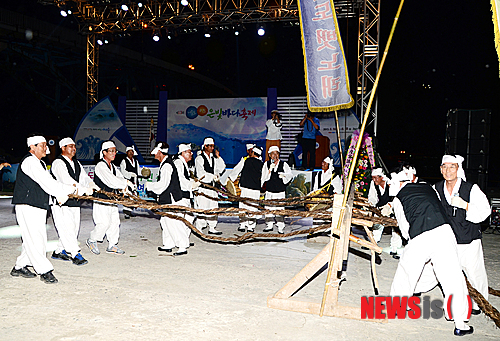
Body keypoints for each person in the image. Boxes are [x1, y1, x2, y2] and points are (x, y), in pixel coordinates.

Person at [389, 170, 473, 336]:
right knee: (452, 277)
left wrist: (412, 236)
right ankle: (460, 323)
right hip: (443, 231)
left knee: (406, 272)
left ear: (398, 185)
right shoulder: (429, 188)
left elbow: (404, 229)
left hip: (420, 234)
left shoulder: (398, 199)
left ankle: (396, 308)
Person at [11, 134, 75, 284]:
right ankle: (44, 270)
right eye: (42, 145)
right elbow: (47, 183)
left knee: (31, 238)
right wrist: (67, 190)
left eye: (46, 145)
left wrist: (63, 193)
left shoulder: (38, 163)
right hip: (27, 205)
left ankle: (19, 266)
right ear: (32, 147)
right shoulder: (30, 162)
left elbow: (47, 185)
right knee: (36, 238)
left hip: (37, 204)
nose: (46, 148)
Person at [434, 155, 490, 315]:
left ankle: (479, 304)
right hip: (449, 241)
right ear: (440, 169)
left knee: (475, 274)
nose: (448, 170)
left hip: (469, 240)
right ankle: (454, 307)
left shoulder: (471, 189)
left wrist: (466, 206)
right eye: (445, 167)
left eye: (452, 166)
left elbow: (485, 211)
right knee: (450, 276)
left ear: (458, 169)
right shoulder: (437, 188)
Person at [50, 137, 97, 266]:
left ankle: (59, 251)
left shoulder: (76, 163)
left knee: (74, 228)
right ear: (63, 148)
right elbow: (67, 181)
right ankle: (75, 253)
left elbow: (84, 177)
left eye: (74, 146)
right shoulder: (58, 163)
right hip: (61, 201)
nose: (74, 148)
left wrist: (92, 185)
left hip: (74, 200)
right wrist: (84, 190)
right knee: (66, 228)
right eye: (70, 146)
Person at [86, 140, 134, 255]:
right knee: (103, 223)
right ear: (104, 152)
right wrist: (125, 183)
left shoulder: (112, 166)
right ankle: (92, 240)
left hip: (112, 200)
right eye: (111, 151)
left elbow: (119, 177)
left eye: (115, 151)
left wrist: (126, 188)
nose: (114, 153)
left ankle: (112, 244)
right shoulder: (101, 166)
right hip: (101, 199)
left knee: (114, 222)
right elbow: (112, 181)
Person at [146, 142, 191, 256]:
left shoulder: (167, 165)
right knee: (165, 221)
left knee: (174, 222)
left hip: (172, 199)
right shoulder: (165, 163)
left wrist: (149, 185)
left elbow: (163, 185)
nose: (154, 155)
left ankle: (182, 246)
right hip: (167, 198)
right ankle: (168, 244)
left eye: (155, 153)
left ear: (160, 152)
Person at [367, 168, 402, 258]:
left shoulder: (390, 183)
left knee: (395, 227)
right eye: (372, 178)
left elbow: (396, 197)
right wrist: (371, 204)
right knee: (377, 224)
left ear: (381, 177)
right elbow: (372, 196)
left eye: (376, 178)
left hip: (392, 207)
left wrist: (390, 206)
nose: (374, 180)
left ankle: (394, 248)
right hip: (381, 207)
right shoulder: (373, 184)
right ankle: (373, 242)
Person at [194, 137, 226, 235]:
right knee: (203, 208)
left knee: (213, 208)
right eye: (210, 146)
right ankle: (199, 228)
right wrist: (212, 177)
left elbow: (221, 168)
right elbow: (201, 173)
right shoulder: (199, 158)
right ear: (205, 147)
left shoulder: (213, 159)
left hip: (212, 189)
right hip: (203, 189)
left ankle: (212, 227)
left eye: (213, 146)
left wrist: (219, 157)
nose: (212, 148)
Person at [228, 146, 264, 232]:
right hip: (255, 190)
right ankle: (251, 227)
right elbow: (264, 177)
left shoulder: (246, 160)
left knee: (243, 206)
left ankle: (242, 225)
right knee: (253, 208)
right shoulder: (262, 164)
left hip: (244, 188)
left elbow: (236, 171)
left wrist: (230, 179)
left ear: (252, 153)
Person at [261, 146, 293, 233]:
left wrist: (283, 175)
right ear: (270, 155)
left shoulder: (284, 164)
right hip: (269, 191)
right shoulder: (266, 164)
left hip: (279, 191)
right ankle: (269, 225)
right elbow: (264, 178)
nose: (275, 155)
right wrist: (270, 170)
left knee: (280, 209)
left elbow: (290, 175)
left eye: (277, 153)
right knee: (268, 208)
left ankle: (280, 227)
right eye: (273, 153)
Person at [120, 145, 140, 219]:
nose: (131, 153)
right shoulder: (124, 161)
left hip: (134, 181)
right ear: (126, 152)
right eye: (129, 152)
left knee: (133, 196)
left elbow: (138, 171)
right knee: (127, 196)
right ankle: (126, 213)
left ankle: (130, 210)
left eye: (132, 151)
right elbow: (123, 171)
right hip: (128, 182)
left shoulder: (136, 161)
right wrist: (130, 174)